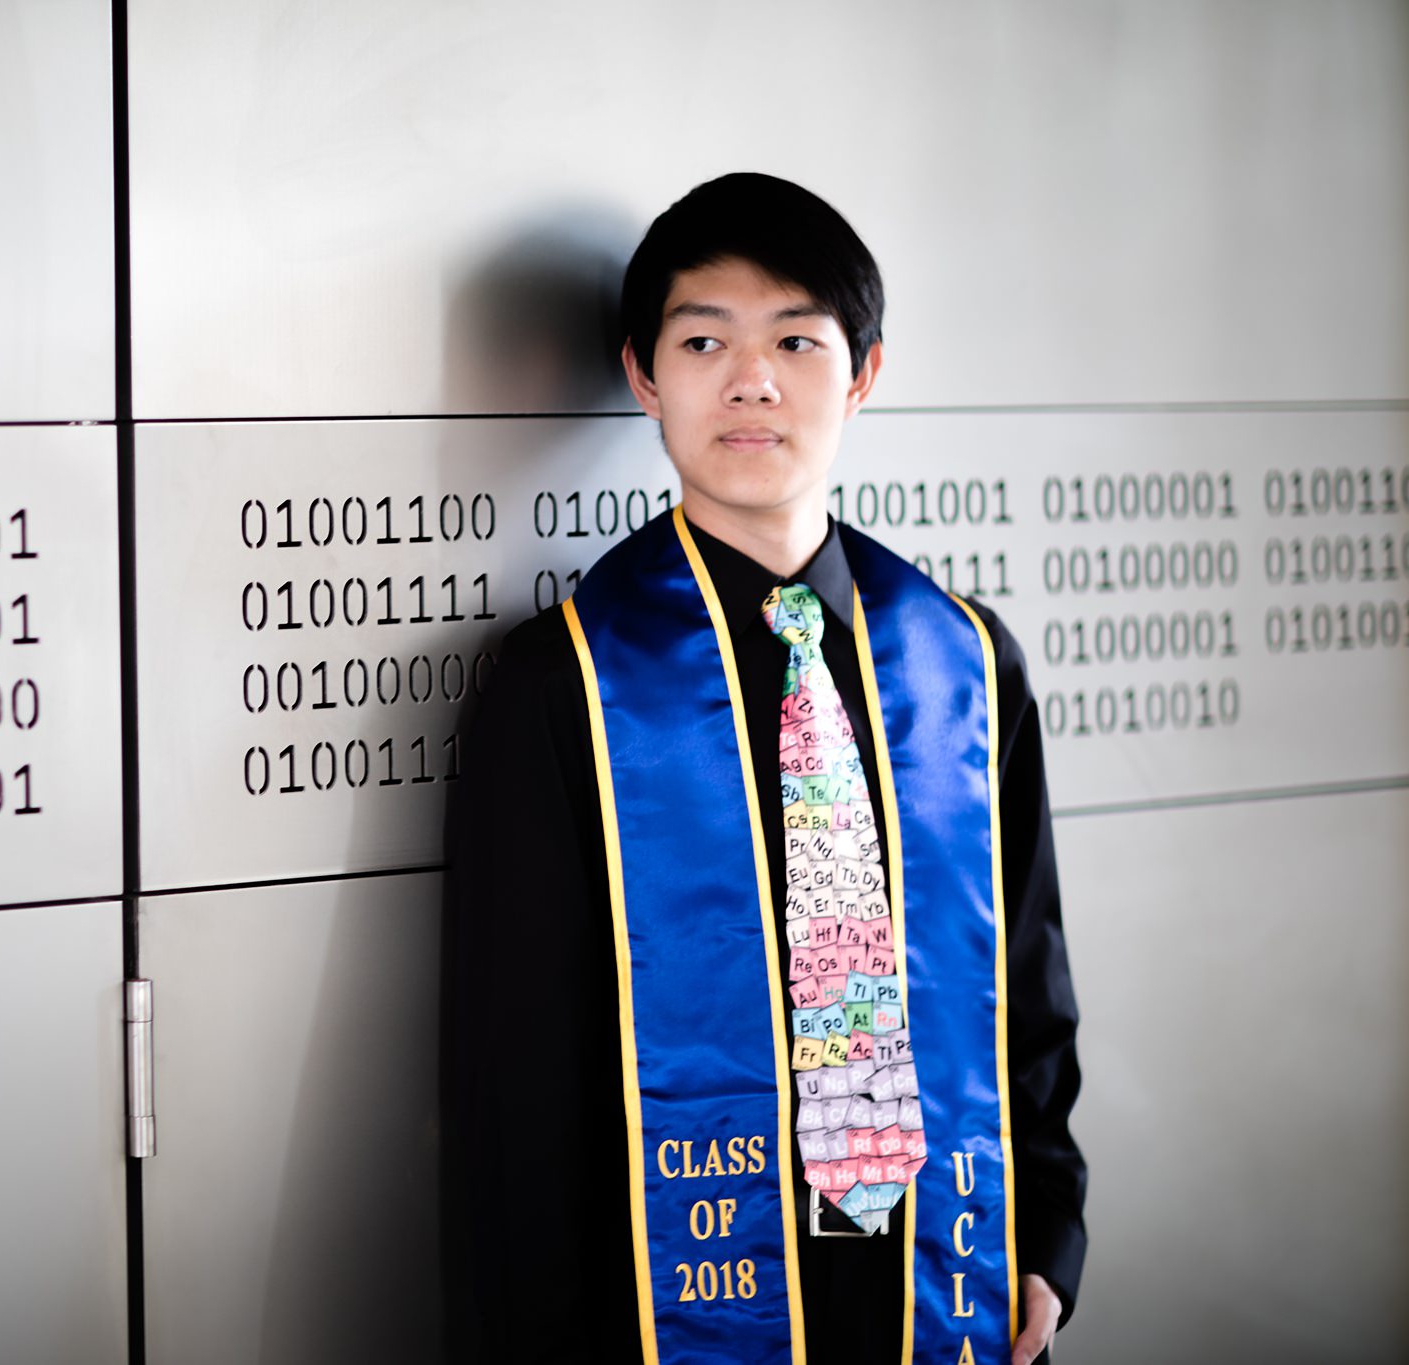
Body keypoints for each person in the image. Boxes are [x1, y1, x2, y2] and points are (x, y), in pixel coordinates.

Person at [442, 173, 1086, 1365]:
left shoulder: (962, 662)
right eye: (704, 341)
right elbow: (513, 1090)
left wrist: (1048, 1232)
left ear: (862, 374)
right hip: (663, 1293)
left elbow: (1025, 984)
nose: (751, 380)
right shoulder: (563, 686)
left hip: (942, 1268)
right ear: (643, 376)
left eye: (796, 339)